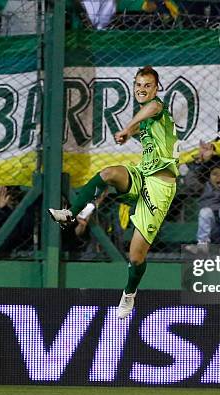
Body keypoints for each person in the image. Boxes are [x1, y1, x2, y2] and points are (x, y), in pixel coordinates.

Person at [49, 65, 178, 319]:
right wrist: (129, 133)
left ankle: (129, 293)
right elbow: (141, 127)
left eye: (147, 85)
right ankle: (69, 214)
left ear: (157, 88)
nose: (142, 89)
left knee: (136, 255)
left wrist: (127, 127)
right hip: (142, 176)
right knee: (109, 173)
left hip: (160, 188)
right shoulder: (147, 120)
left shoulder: (158, 108)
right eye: (138, 85)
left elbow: (151, 109)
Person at [184, 141, 220, 254]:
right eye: (214, 174)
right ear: (209, 176)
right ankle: (202, 246)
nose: (218, 177)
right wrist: (199, 161)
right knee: (205, 212)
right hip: (210, 228)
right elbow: (190, 181)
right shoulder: (203, 187)